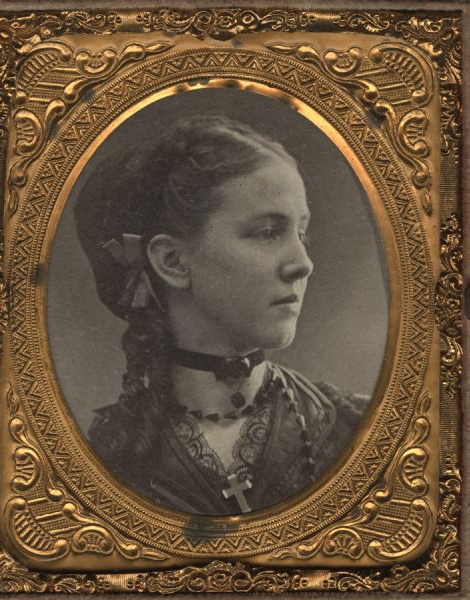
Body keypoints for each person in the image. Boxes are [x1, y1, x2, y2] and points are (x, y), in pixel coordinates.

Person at [75, 114, 368, 516]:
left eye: (301, 233)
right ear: (173, 261)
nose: (303, 264)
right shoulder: (105, 464)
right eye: (267, 232)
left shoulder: (355, 430)